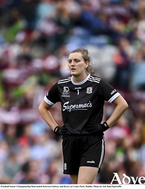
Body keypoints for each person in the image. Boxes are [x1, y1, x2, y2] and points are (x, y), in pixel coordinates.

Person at [38, 48, 129, 184]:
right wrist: (55, 128)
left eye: (77, 61)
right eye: (70, 61)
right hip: (70, 142)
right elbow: (42, 107)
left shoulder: (97, 84)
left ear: (86, 64)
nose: (72, 64)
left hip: (92, 142)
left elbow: (122, 104)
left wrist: (105, 126)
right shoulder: (61, 86)